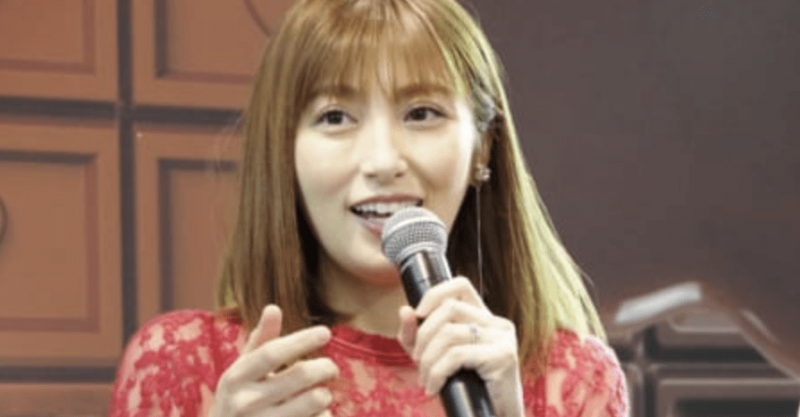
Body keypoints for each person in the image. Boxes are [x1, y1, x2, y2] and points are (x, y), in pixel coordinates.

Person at [109, 0, 629, 416]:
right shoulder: (184, 364)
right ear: (283, 151)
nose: (382, 161)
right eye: (335, 117)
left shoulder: (574, 379)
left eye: (421, 113)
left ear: (483, 148)